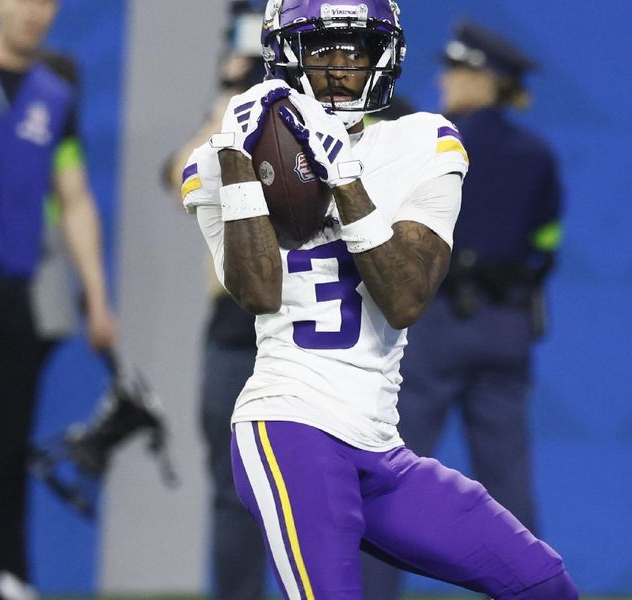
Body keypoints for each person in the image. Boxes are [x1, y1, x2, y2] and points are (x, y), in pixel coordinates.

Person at [182, 0, 578, 598]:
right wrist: (240, 166)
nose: (341, 66)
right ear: (286, 58)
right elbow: (257, 291)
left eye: (357, 49)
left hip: (379, 449)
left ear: (384, 56)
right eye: (322, 50)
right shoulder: (223, 159)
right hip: (288, 426)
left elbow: (405, 297)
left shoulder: (425, 139)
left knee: (542, 583)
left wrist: (345, 179)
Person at [360, 21, 565, 599]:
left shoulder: (431, 144)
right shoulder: (538, 154)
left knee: (390, 478)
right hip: (507, 325)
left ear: (485, 79)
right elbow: (546, 240)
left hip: (434, 325)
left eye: (456, 70)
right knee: (509, 482)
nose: (443, 79)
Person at [0, 1, 116, 598]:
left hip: (13, 291)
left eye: (48, 3)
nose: (36, 13)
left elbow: (73, 200)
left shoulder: (54, 95)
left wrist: (97, 297)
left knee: (5, 441)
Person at [163, 3, 267, 598]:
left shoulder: (334, 112)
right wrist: (231, 90)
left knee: (329, 492)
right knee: (235, 490)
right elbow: (182, 177)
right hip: (234, 328)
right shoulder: (232, 115)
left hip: (313, 333)